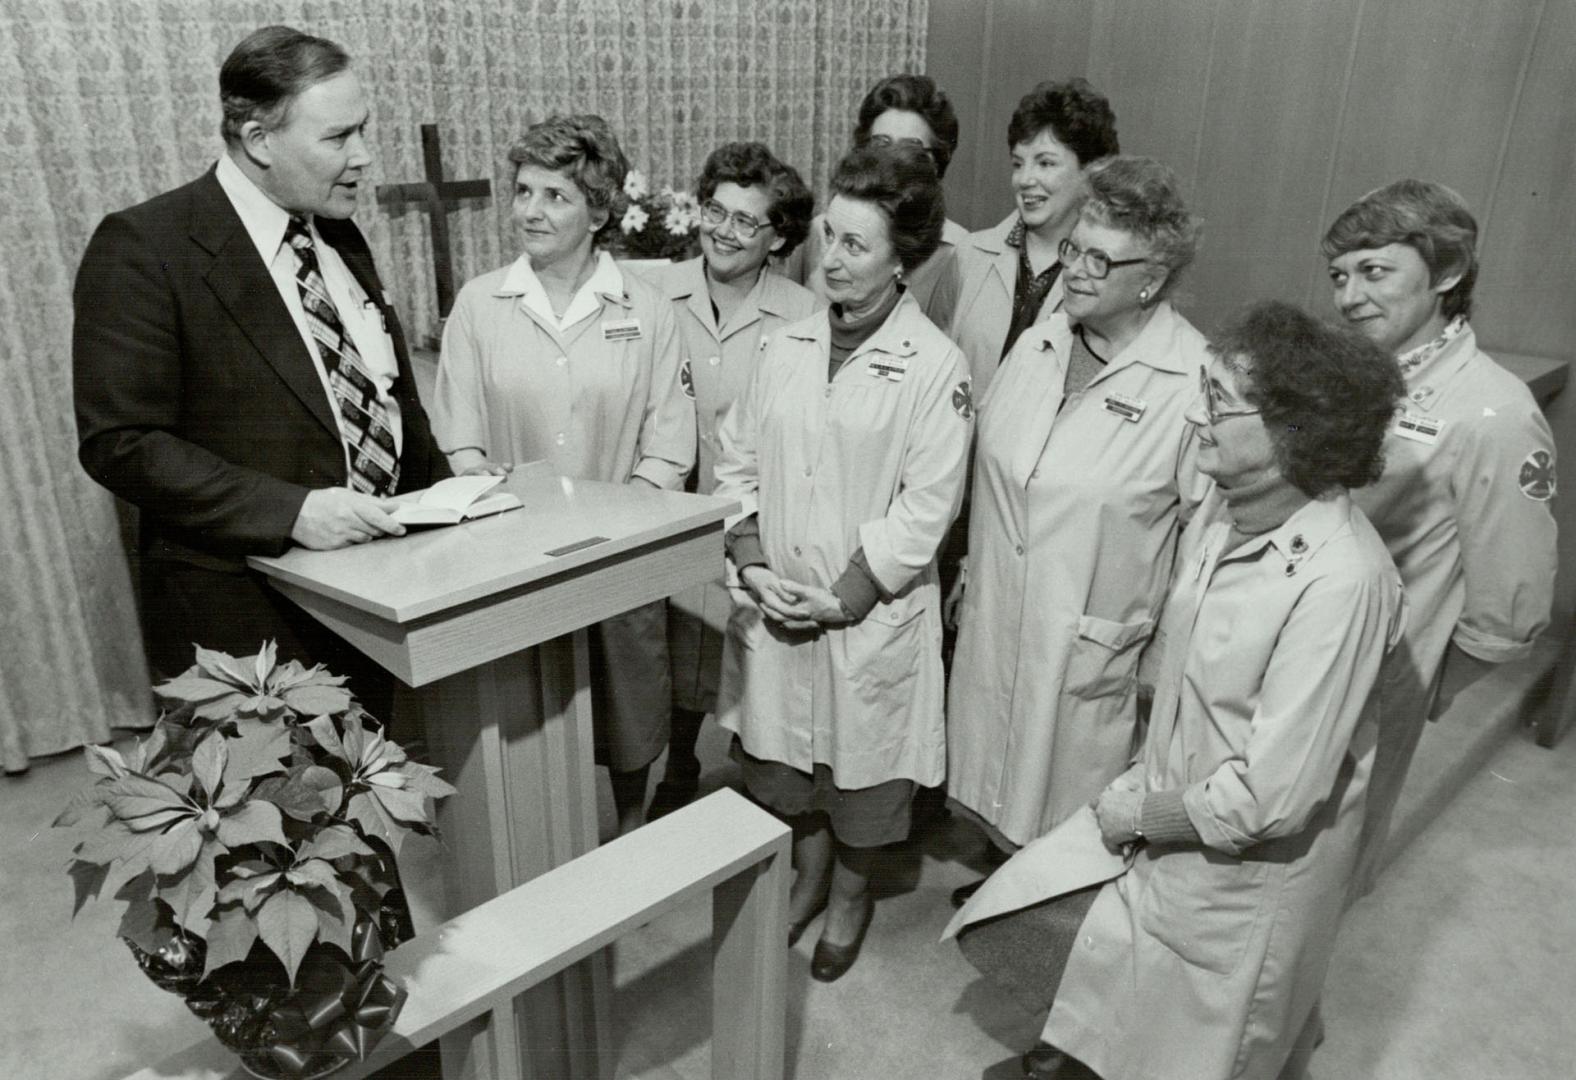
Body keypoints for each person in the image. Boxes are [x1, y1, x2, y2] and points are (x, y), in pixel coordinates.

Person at [957, 301, 1408, 1080]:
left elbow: (1274, 795)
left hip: (1237, 877)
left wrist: (1143, 813)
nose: (1194, 416)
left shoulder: (1341, 581)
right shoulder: (1234, 521)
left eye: (1217, 404)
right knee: (1124, 1010)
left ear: (1293, 433)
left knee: (1198, 1048)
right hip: (1177, 831)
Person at [72, 25, 449, 720]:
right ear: (257, 138)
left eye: (362, 131)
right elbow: (121, 441)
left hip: (372, 594)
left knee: (370, 802)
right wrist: (294, 511)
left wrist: (457, 500)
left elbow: (383, 391)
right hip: (246, 621)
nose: (364, 157)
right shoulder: (147, 247)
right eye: (338, 138)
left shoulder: (335, 231)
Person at [712, 142, 971, 981]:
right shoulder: (782, 344)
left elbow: (928, 508)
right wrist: (751, 563)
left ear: (904, 260)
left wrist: (847, 596)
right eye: (828, 234)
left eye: (856, 245)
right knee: (789, 768)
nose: (830, 256)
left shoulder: (936, 367)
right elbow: (736, 462)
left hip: (868, 618)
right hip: (777, 597)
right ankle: (806, 874)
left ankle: (851, 897)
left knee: (861, 777)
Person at [945, 156, 1207, 907]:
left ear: (1151, 278)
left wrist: (1161, 662)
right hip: (1001, 605)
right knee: (1000, 779)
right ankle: (1009, 885)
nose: (1077, 271)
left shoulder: (1190, 381)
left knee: (1073, 813)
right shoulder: (1043, 339)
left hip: (1096, 639)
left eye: (1100, 258)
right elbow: (997, 470)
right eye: (1074, 250)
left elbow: (1200, 550)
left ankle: (1050, 922)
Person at [431, 115, 695, 836]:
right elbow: (458, 435)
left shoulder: (646, 308)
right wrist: (480, 475)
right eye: (523, 191)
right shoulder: (482, 305)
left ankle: (633, 829)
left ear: (600, 209)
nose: (529, 211)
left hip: (618, 548)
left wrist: (627, 520)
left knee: (629, 705)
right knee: (522, 710)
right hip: (512, 555)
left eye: (555, 195)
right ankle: (535, 836)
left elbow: (669, 440)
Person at [1322, 180, 1557, 895]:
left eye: (1375, 271)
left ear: (1448, 274)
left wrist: (1416, 690)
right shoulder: (1349, 374)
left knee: (1313, 888)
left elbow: (1509, 615)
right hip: (1290, 665)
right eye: (1340, 275)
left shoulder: (1496, 414)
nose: (1349, 295)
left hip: (1366, 693)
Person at [640, 142, 818, 820]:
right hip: (674, 507)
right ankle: (678, 762)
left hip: (758, 517)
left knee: (749, 651)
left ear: (779, 237)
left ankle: (759, 780)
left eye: (748, 221)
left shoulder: (803, 314)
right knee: (680, 641)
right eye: (717, 210)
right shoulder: (657, 293)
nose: (724, 230)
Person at [947, 78, 1120, 396]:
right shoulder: (968, 254)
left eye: (1045, 163)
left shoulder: (1108, 276)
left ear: (1091, 172)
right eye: (1017, 163)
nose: (1025, 179)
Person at [780, 73, 968, 325]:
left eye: (911, 149)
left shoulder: (959, 253)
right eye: (881, 144)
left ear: (937, 163)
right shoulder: (818, 232)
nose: (892, 161)